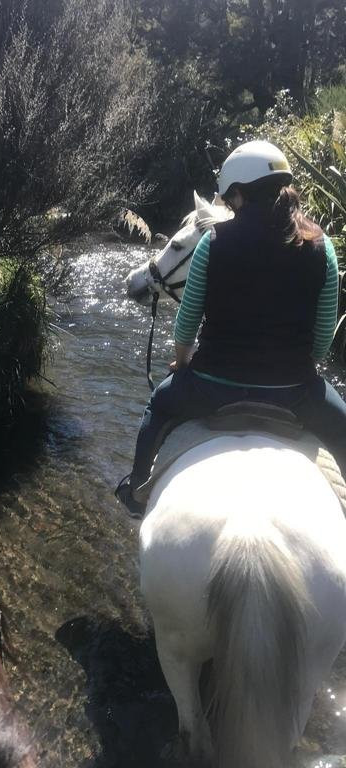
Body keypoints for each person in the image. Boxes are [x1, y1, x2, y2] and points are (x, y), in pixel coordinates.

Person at [116, 139, 346, 518]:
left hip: (212, 385)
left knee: (158, 405)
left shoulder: (214, 241)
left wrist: (182, 362)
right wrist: (301, 368)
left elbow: (187, 321)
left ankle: (138, 493)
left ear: (239, 193)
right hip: (296, 393)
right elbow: (323, 338)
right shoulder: (322, 245)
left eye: (230, 199)